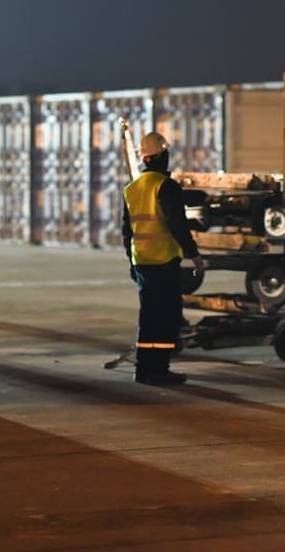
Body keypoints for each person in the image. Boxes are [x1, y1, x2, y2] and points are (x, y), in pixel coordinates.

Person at [122, 132, 204, 385]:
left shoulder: (131, 189)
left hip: (142, 261)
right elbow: (176, 224)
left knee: (148, 316)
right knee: (167, 317)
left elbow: (127, 231)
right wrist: (194, 254)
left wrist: (131, 262)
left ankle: (144, 369)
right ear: (161, 156)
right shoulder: (165, 186)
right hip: (164, 262)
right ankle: (159, 369)